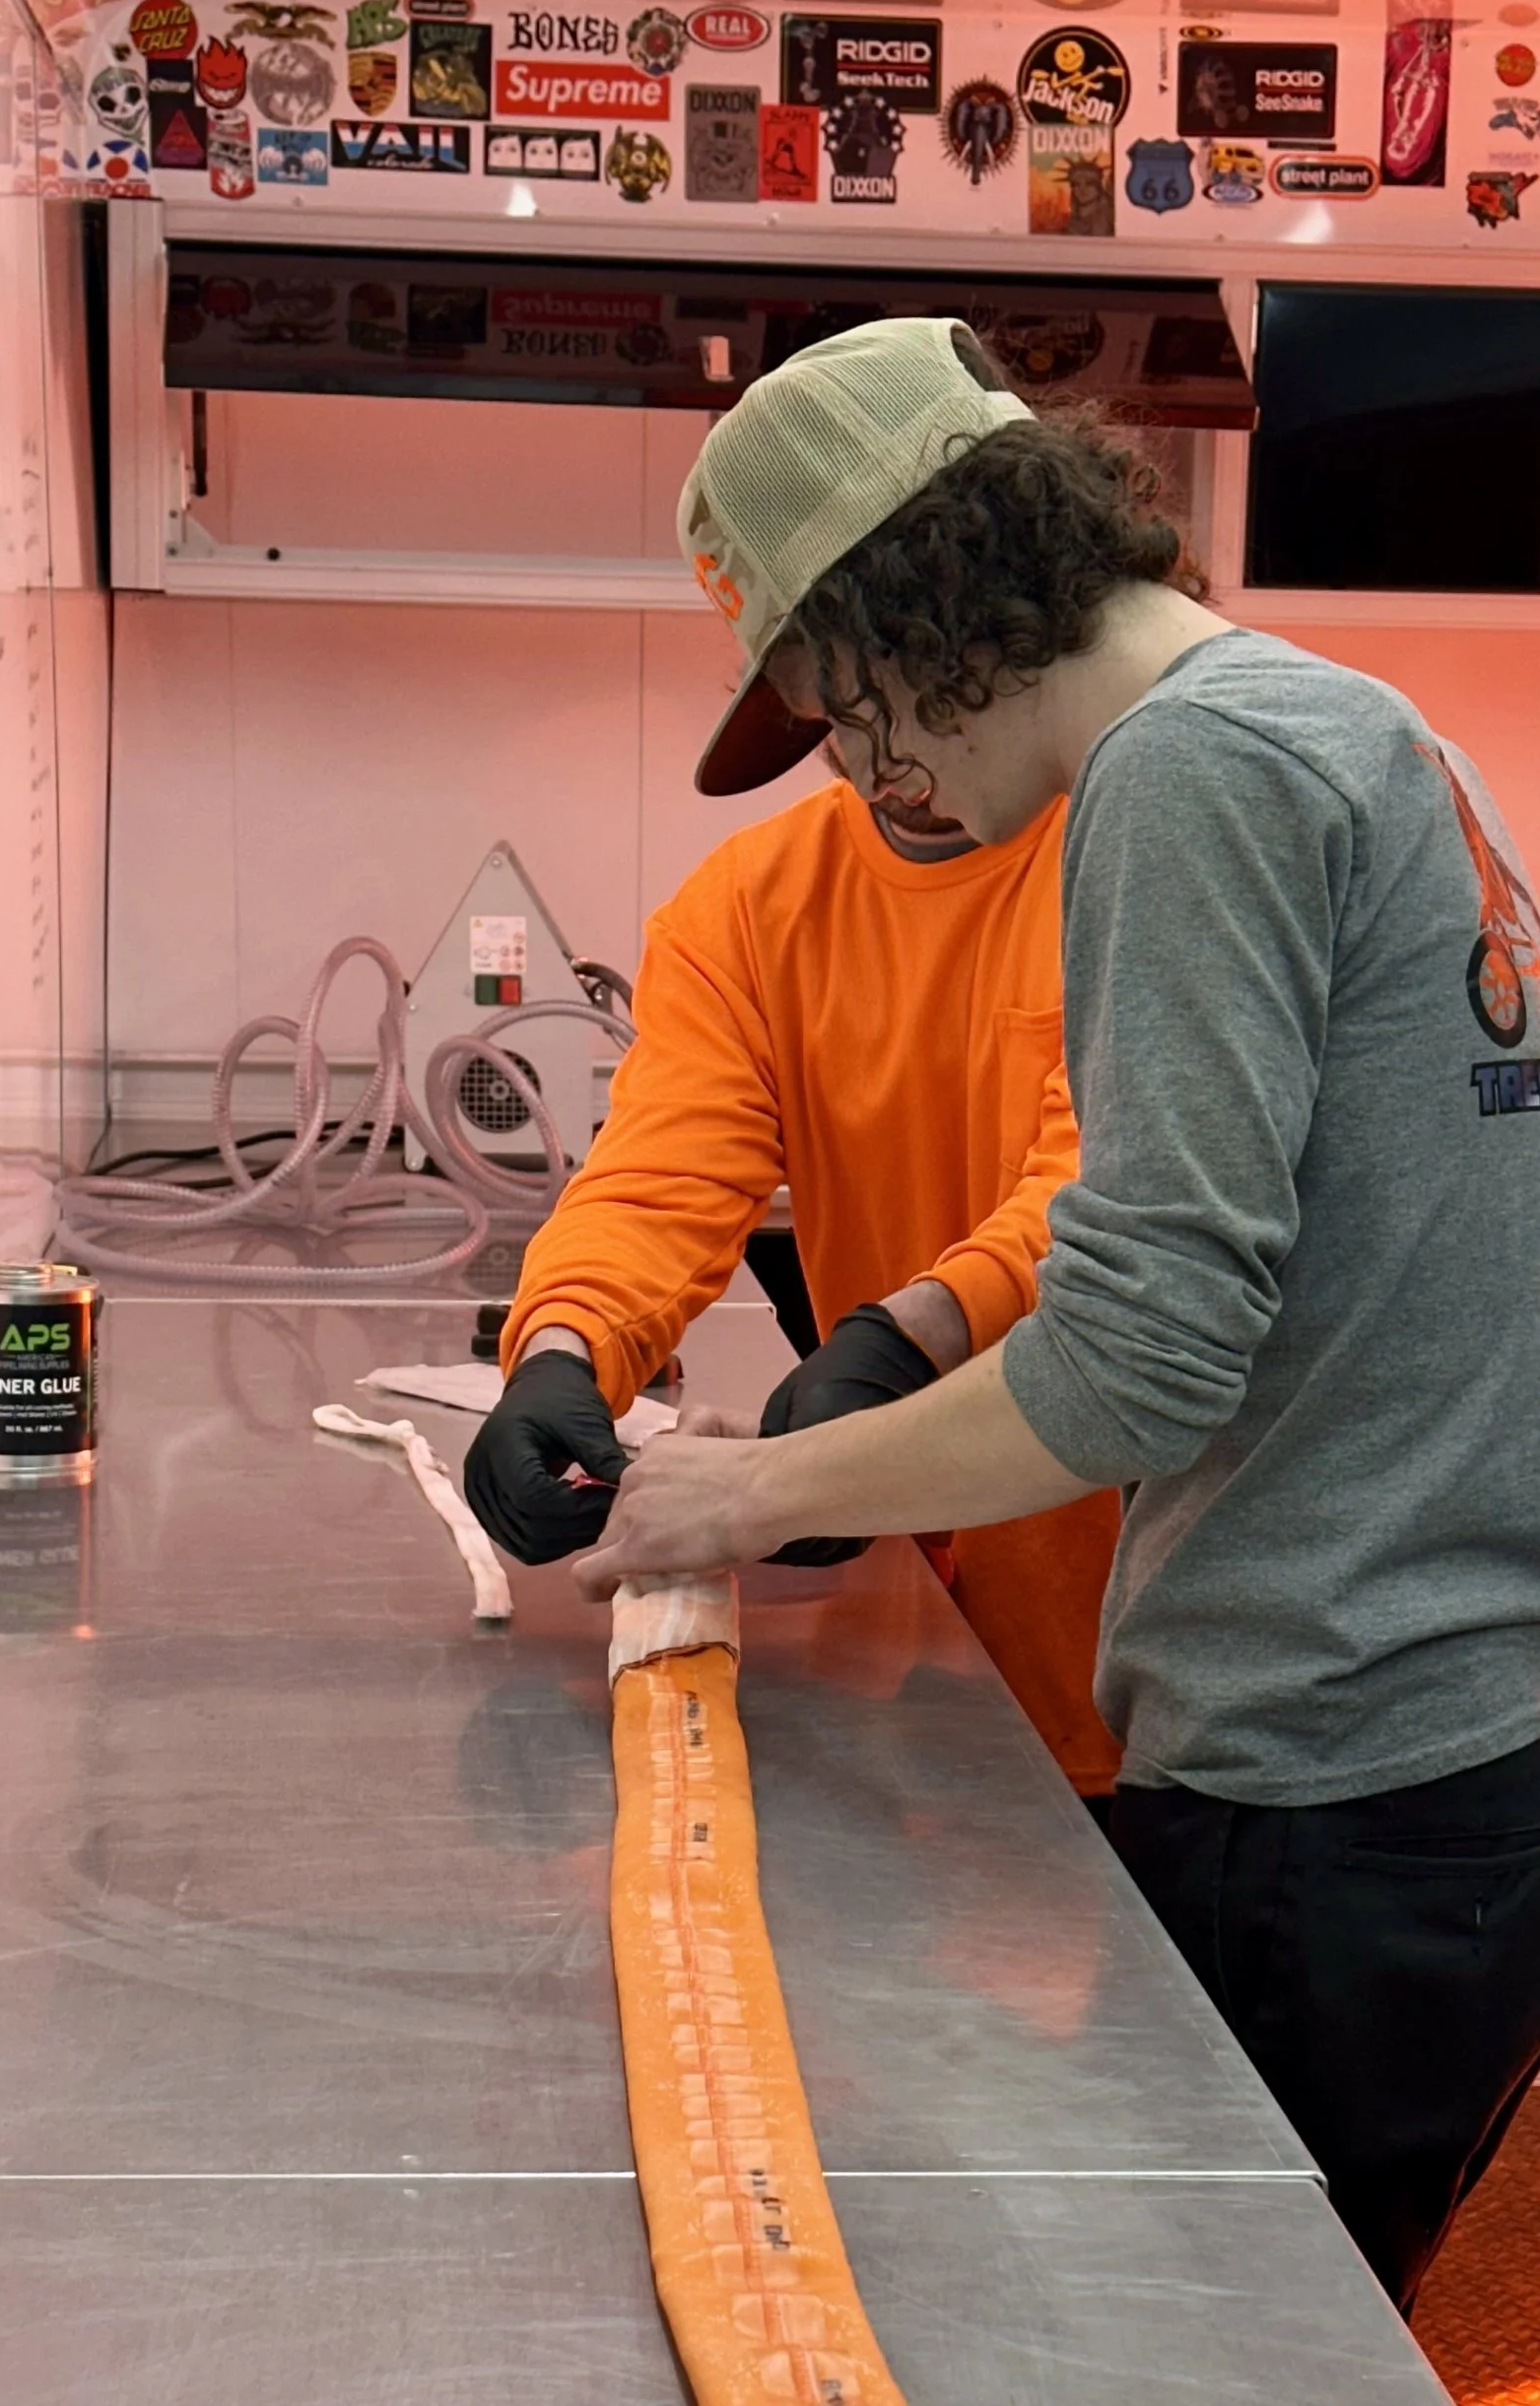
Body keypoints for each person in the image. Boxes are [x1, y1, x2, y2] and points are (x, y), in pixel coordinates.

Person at [572, 314, 1540, 2316]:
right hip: (1493, 1744)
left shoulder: (1181, 779)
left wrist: (741, 1488)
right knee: (1265, 2387)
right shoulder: (1345, 722)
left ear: (919, 611)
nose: (875, 773)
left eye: (845, 709)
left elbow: (1140, 1348)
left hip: (1339, 1794)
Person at [461, 764, 1123, 1801]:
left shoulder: (1130, 863)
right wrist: (561, 1347)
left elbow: (1116, 1196)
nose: (883, 746)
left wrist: (906, 1339)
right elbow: (659, 1177)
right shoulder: (752, 904)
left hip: (1139, 1636)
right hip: (929, 1653)